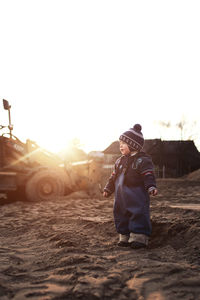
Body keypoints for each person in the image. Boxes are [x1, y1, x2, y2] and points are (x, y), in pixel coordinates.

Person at [103, 124, 157, 249]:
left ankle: (139, 237)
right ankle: (124, 236)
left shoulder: (142, 160)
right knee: (121, 214)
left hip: (136, 194)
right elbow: (113, 177)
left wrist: (151, 187)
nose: (120, 145)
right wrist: (108, 189)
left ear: (133, 145)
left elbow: (148, 175)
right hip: (121, 196)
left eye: (123, 143)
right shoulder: (119, 161)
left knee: (138, 213)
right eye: (120, 143)